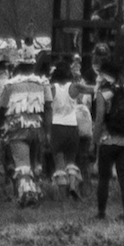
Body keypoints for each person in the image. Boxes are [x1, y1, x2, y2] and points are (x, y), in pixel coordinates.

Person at [0, 53, 52, 207]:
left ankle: (27, 196)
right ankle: (36, 190)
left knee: (22, 164)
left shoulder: (9, 85)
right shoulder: (43, 84)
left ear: (17, 66)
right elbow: (48, 109)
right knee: (34, 164)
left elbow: (1, 110)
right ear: (33, 66)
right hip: (37, 128)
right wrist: (47, 131)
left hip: (16, 129)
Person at [93, 58, 124, 219]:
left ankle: (101, 212)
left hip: (108, 140)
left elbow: (99, 120)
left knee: (104, 178)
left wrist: (95, 140)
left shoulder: (103, 94)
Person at [44, 56, 86, 201]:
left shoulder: (51, 89)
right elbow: (90, 91)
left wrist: (48, 132)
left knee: (59, 162)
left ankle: (62, 196)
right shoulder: (74, 87)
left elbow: (47, 108)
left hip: (56, 127)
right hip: (72, 127)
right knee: (71, 160)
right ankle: (73, 186)